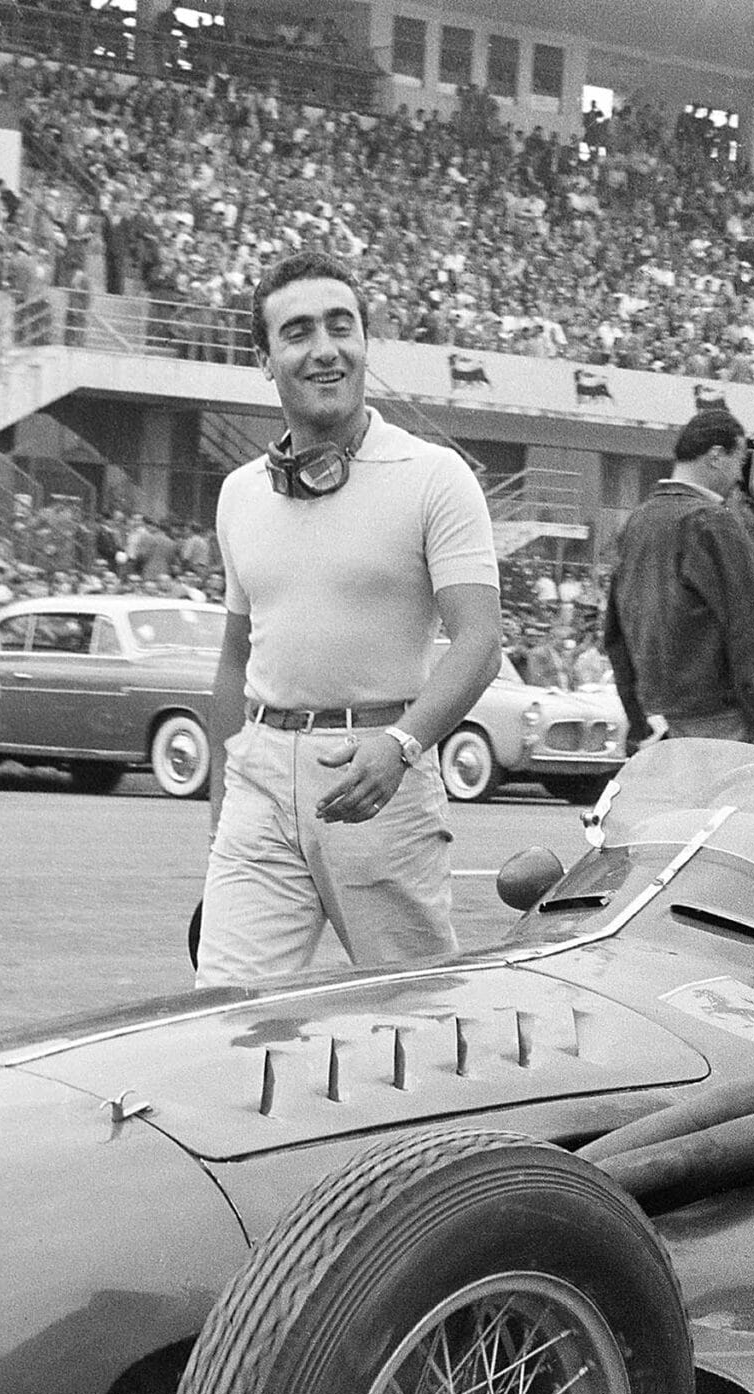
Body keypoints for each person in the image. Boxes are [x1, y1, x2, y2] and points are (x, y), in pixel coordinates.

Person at [196, 251, 500, 987]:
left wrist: (401, 746)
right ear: (263, 358)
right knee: (222, 1011)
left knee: (413, 1015)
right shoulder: (239, 494)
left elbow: (481, 642)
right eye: (297, 332)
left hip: (379, 776)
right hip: (260, 780)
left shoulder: (435, 476)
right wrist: (221, 810)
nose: (325, 348)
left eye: (342, 326)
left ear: (367, 341)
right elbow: (236, 657)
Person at [600, 411, 754, 757]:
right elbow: (752, 626)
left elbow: (614, 634)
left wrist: (637, 716)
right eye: (739, 459)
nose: (740, 475)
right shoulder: (712, 522)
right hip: (722, 717)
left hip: (660, 716)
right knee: (736, 810)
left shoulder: (637, 521)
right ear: (716, 456)